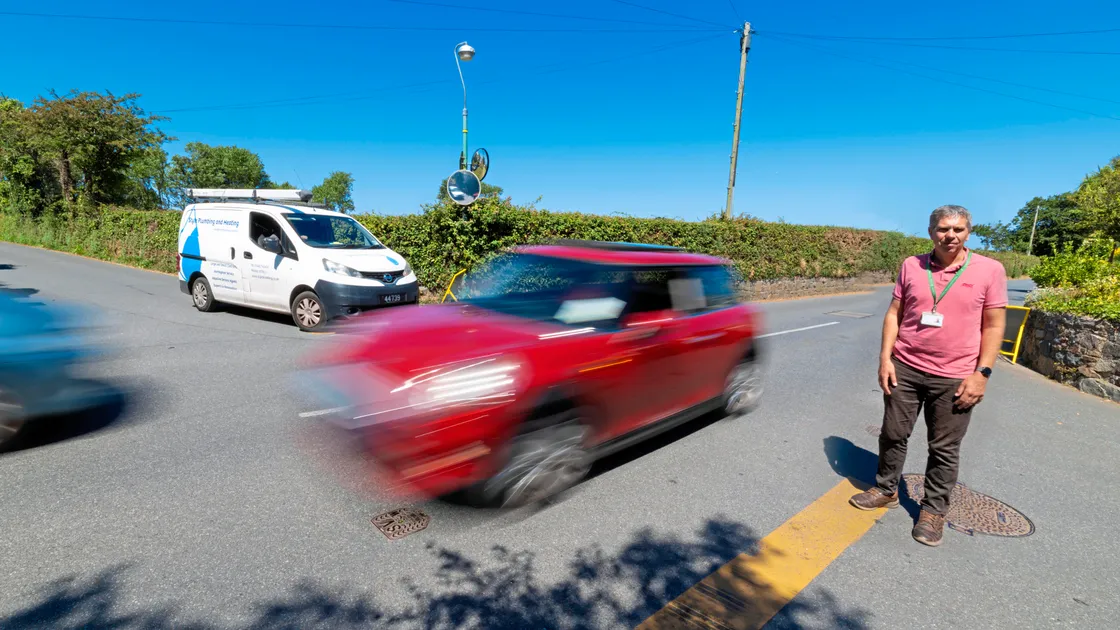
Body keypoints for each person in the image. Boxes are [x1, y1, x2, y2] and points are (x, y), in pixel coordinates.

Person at [849, 205, 1007, 547]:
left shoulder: (989, 270)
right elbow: (894, 314)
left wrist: (982, 373)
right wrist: (884, 358)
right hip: (905, 366)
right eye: (942, 228)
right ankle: (886, 488)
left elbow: (994, 325)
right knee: (892, 433)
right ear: (930, 230)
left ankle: (933, 510)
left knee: (944, 448)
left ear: (968, 232)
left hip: (956, 375)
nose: (950, 235)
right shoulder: (911, 265)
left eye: (958, 229)